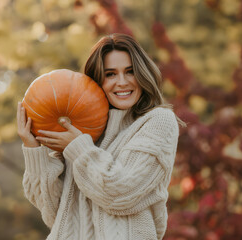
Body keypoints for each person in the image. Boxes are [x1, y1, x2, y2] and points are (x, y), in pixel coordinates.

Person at [17, 33, 183, 240]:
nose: (122, 82)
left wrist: (79, 148)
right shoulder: (82, 132)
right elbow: (53, 212)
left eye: (130, 72)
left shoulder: (158, 121)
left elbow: (122, 193)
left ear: (142, 74)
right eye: (110, 74)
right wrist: (33, 150)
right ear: (96, 80)